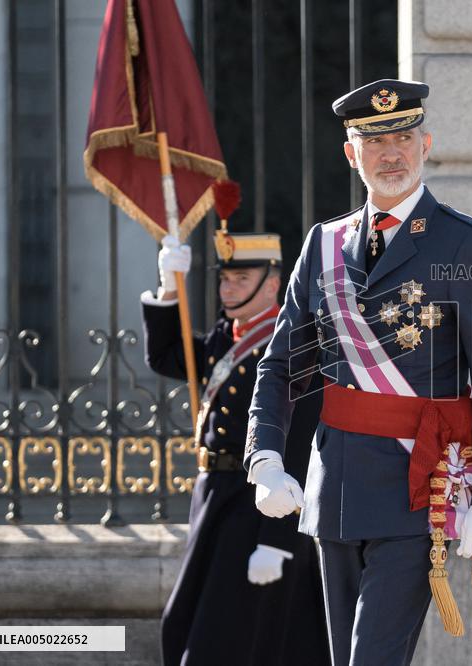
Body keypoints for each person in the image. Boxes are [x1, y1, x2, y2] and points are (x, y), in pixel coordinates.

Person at [243, 78, 472, 665]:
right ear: (352, 154)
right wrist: (265, 457)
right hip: (335, 491)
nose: (391, 153)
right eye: (375, 142)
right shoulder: (322, 244)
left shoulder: (465, 243)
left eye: (403, 137)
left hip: (417, 491)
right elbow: (281, 366)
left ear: (426, 145)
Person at [141, 225, 329, 666]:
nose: (228, 288)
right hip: (214, 499)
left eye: (241, 279)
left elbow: (300, 442)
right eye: (225, 279)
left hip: (257, 507)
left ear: (272, 283)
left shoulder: (291, 344)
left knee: (229, 636)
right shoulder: (228, 338)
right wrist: (169, 289)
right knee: (187, 621)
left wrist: (279, 540)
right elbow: (168, 355)